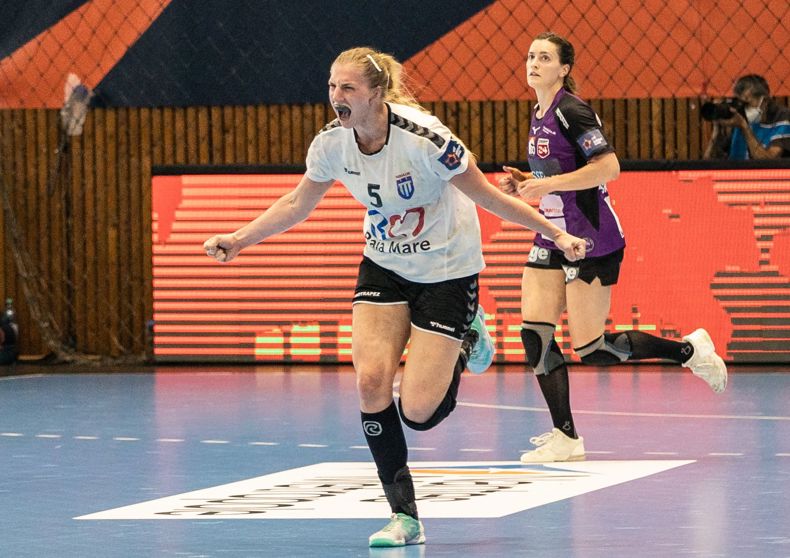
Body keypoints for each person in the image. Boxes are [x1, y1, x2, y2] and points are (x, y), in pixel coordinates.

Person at [203, 46, 587, 547]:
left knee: (419, 414)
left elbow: (490, 198)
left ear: (377, 93)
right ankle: (404, 515)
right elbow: (297, 202)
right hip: (384, 265)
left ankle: (467, 337)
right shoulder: (331, 144)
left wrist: (556, 234)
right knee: (370, 382)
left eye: (348, 88)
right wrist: (239, 239)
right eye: (332, 86)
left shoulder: (427, 140)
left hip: (447, 271)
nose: (336, 96)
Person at [498, 32, 728, 464]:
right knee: (534, 333)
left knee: (592, 349)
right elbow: (560, 173)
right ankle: (566, 437)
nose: (533, 63)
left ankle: (689, 351)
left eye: (544, 58)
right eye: (530, 56)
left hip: (591, 237)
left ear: (564, 69)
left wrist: (547, 184)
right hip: (552, 234)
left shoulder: (572, 110)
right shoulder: (539, 111)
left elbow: (608, 167)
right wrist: (527, 184)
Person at [703, 74, 790, 160]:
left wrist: (744, 127)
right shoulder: (738, 118)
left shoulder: (781, 117)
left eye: (746, 103)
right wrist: (716, 133)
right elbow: (709, 163)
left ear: (764, 101)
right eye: (739, 102)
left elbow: (768, 161)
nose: (742, 108)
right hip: (736, 169)